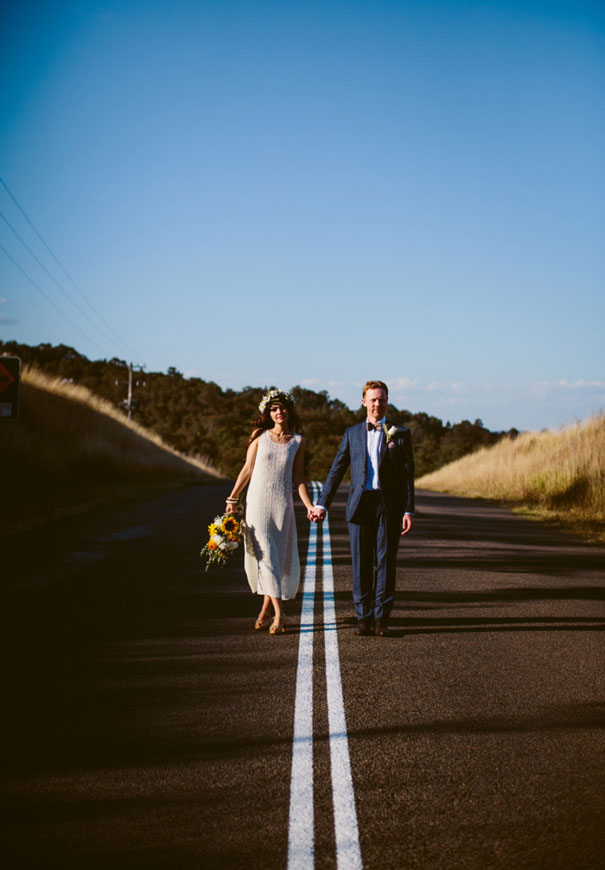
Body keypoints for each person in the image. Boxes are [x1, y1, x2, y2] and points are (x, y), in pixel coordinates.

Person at [311, 380, 415, 637]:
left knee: (385, 562)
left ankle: (381, 619)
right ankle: (363, 618)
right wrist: (322, 502)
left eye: (381, 399)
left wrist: (408, 510)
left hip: (387, 506)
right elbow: (337, 469)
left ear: (387, 401)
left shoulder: (400, 433)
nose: (377, 404)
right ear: (364, 402)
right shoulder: (352, 433)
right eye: (373, 399)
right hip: (359, 505)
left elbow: (407, 475)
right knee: (360, 563)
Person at [225, 389, 316, 635]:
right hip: (257, 505)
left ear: (289, 411)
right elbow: (247, 469)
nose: (279, 413)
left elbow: (299, 478)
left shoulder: (298, 441)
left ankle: (264, 612)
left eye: (283, 408)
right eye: (274, 409)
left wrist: (309, 506)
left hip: (282, 506)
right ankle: (280, 614)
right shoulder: (259, 437)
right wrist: (233, 497)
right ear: (268, 412)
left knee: (276, 558)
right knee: (265, 556)